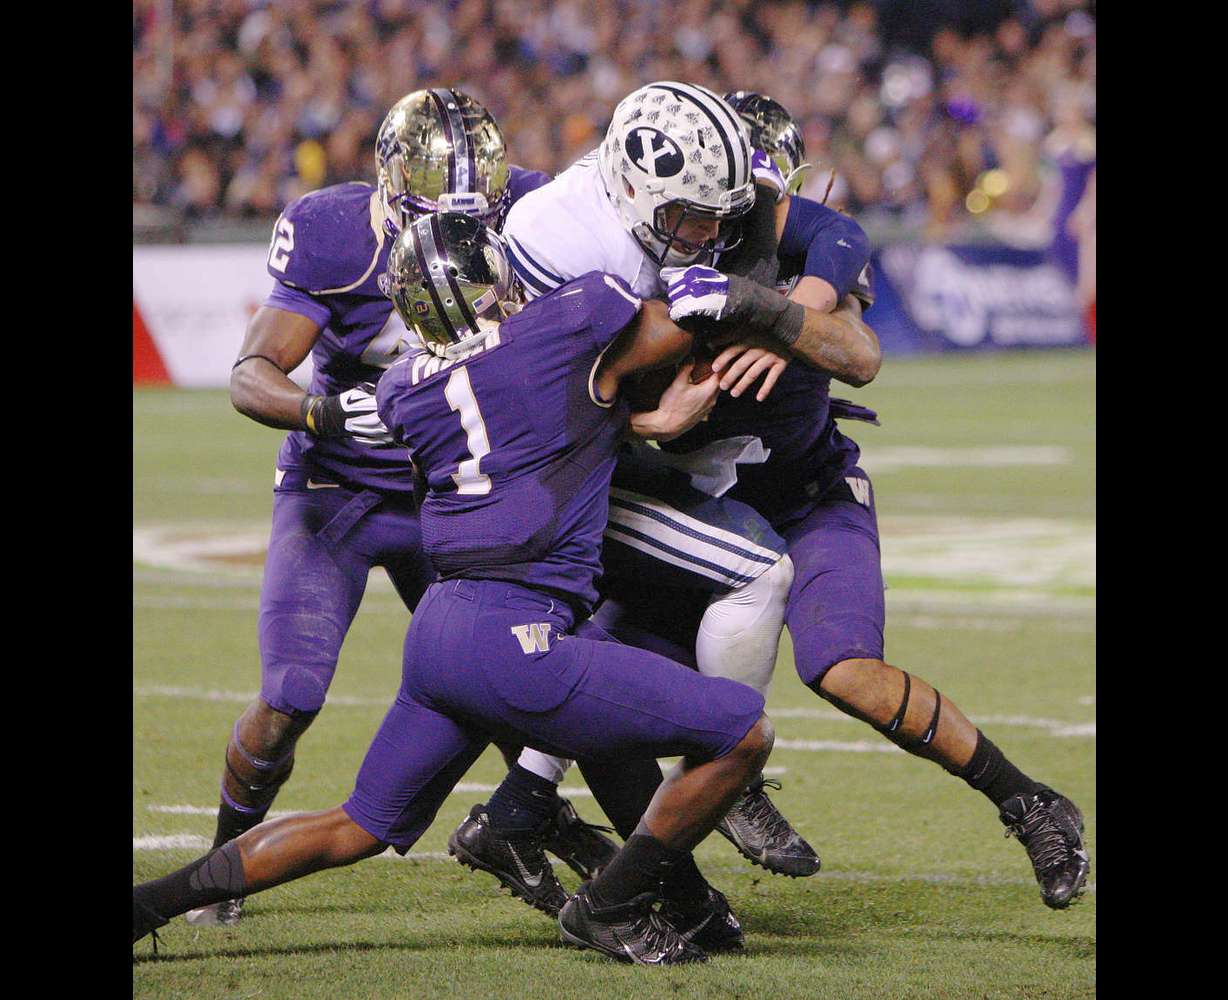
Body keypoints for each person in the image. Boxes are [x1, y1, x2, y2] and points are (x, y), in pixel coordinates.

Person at [134, 211, 777, 966]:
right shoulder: (570, 323)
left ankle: (150, 903)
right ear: (495, 275)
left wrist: (642, 420)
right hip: (520, 638)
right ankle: (612, 906)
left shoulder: (406, 386)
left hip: (441, 633)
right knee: (743, 731)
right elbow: (679, 322)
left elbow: (523, 423)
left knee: (355, 826)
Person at [630, 91, 1090, 910]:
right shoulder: (629, 244)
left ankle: (1029, 803)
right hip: (690, 508)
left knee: (845, 670)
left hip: (806, 497)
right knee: (585, 642)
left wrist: (773, 318)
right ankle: (563, 829)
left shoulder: (801, 236)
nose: (737, 211)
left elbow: (850, 296)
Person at [184, 88, 614, 928]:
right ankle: (219, 863)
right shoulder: (332, 233)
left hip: (449, 496)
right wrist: (317, 410)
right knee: (290, 697)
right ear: (388, 185)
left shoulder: (530, 207)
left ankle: (540, 825)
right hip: (338, 490)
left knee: (522, 673)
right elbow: (252, 372)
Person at [458, 81, 875, 894]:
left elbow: (842, 241)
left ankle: (517, 805)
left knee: (643, 614)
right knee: (753, 572)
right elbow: (538, 403)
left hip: (607, 456)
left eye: (727, 215)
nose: (715, 236)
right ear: (639, 189)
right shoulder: (570, 245)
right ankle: (728, 771)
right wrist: (648, 425)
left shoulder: (689, 207)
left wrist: (795, 310)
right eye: (697, 218)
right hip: (549, 469)